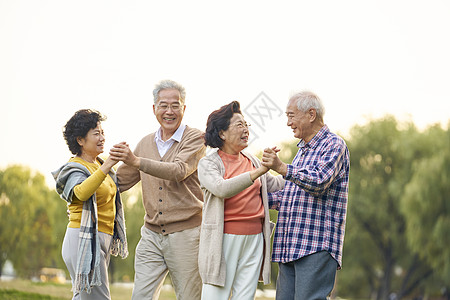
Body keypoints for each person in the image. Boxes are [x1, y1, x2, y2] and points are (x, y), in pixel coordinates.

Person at [109, 79, 205, 300]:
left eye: (175, 105)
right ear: (154, 109)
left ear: (184, 108)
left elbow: (179, 170)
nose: (169, 111)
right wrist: (88, 174)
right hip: (151, 235)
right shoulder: (144, 143)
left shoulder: (195, 138)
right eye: (163, 105)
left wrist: (136, 161)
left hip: (187, 235)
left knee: (190, 297)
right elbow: (118, 183)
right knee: (141, 296)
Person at [261, 91, 350, 300]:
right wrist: (251, 195)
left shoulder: (334, 145)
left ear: (311, 114)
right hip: (289, 245)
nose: (288, 122)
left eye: (291, 115)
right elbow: (290, 197)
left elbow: (319, 181)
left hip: (315, 245)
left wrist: (282, 167)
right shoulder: (302, 150)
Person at [197, 101, 285, 300]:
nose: (246, 130)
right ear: (222, 133)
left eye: (247, 125)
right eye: (239, 125)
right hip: (223, 238)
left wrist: (289, 170)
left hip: (255, 238)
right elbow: (222, 188)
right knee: (214, 296)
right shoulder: (208, 163)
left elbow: (272, 184)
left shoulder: (251, 160)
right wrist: (259, 171)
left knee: (245, 297)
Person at [52, 109, 128, 300]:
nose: (102, 137)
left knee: (84, 298)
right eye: (96, 133)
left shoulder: (101, 166)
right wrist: (108, 164)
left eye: (102, 132)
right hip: (82, 238)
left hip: (102, 238)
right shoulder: (75, 167)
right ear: (80, 140)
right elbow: (80, 192)